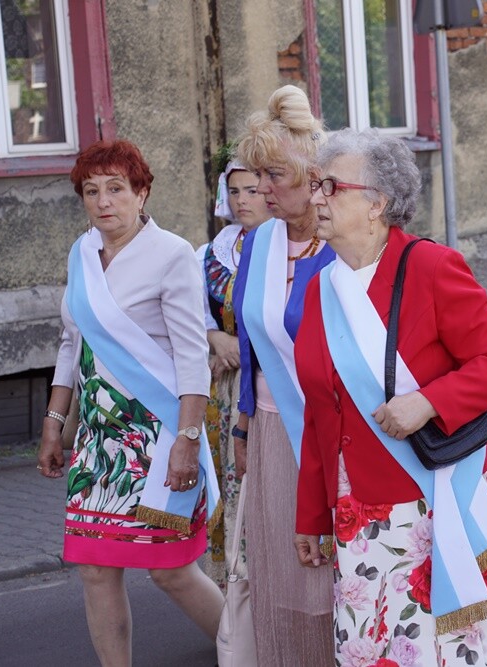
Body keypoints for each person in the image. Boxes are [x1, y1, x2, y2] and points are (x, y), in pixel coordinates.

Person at [293, 129, 487, 664]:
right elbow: (319, 412)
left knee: (448, 650)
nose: (316, 198)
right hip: (356, 510)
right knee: (372, 648)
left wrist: (427, 401)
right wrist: (310, 514)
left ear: (376, 203)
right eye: (315, 184)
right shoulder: (319, 288)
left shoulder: (430, 266)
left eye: (331, 186)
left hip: (433, 494)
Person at [36, 139, 224, 665]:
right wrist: (54, 422)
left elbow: (192, 357)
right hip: (98, 444)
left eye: (116, 189)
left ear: (141, 193)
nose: (103, 202)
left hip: (159, 436)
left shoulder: (172, 254)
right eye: (91, 191)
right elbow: (72, 342)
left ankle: (249, 652)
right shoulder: (81, 254)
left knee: (171, 571)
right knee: (96, 569)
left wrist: (188, 440)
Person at [230, 85, 336, 664]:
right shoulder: (259, 241)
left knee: (327, 578)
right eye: (257, 177)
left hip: (331, 435)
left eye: (275, 176)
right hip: (272, 432)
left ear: (312, 174)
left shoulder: (342, 244)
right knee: (279, 576)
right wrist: (243, 426)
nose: (262, 190)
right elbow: (249, 342)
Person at [197, 145, 272, 588]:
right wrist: (216, 338)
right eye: (235, 190)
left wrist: (245, 347)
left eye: (252, 190)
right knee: (231, 482)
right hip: (227, 389)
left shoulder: (289, 248)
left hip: (271, 383)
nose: (242, 200)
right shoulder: (212, 253)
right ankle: (234, 591)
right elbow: (191, 314)